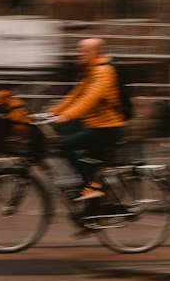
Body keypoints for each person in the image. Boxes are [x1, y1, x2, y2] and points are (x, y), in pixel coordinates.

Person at [46, 37, 128, 202]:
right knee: (90, 166)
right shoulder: (91, 71)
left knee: (63, 146)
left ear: (94, 52)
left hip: (107, 129)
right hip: (97, 127)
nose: (79, 53)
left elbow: (89, 98)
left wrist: (67, 116)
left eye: (83, 50)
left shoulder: (103, 72)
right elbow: (75, 95)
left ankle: (90, 187)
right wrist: (52, 112)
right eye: (79, 50)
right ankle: (92, 215)